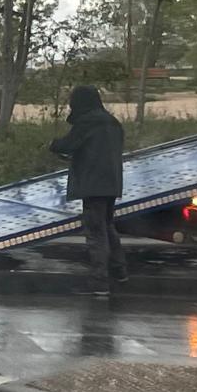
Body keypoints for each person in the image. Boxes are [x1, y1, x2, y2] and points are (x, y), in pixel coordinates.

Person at [51, 84, 128, 294]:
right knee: (108, 226)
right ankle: (120, 273)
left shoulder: (87, 122)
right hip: (112, 183)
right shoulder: (113, 122)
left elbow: (68, 144)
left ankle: (99, 283)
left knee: (95, 232)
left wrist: (52, 144)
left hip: (93, 184)